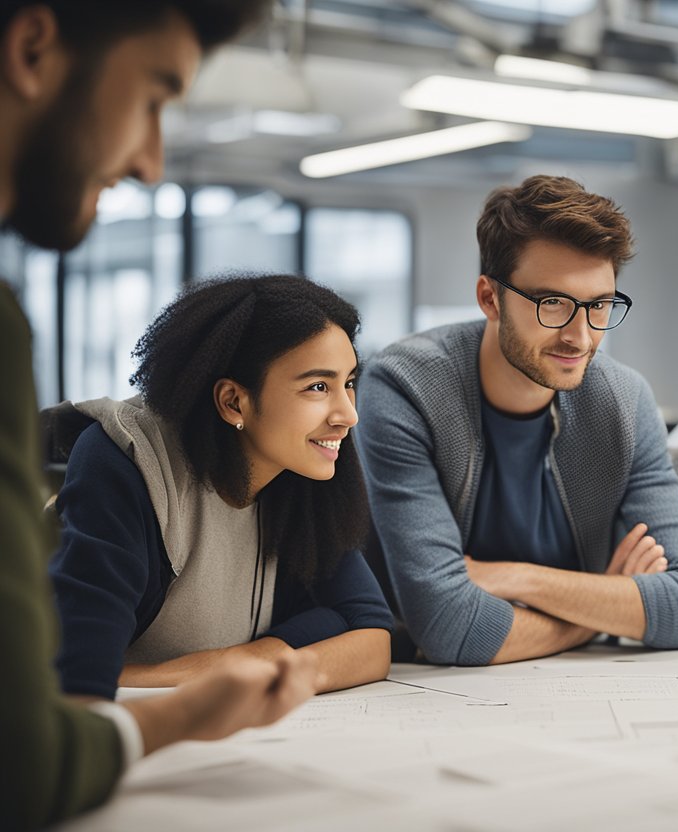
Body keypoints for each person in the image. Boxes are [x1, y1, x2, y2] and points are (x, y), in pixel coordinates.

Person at [0, 2, 313, 828]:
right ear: (33, 50)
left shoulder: (304, 476)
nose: (148, 162)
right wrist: (189, 711)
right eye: (153, 97)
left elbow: (367, 625)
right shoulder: (127, 458)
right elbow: (28, 758)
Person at [357, 174, 678, 665]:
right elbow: (450, 629)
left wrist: (513, 578)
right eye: (553, 304)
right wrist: (607, 602)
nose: (581, 336)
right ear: (489, 298)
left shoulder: (624, 403)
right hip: (422, 696)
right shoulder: (405, 387)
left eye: (599, 306)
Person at [50, 275, 393, 699]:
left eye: (349, 383)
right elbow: (79, 674)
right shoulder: (123, 460)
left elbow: (373, 640)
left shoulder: (303, 465)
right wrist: (304, 639)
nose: (347, 414)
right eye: (318, 387)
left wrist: (248, 659)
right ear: (233, 401)